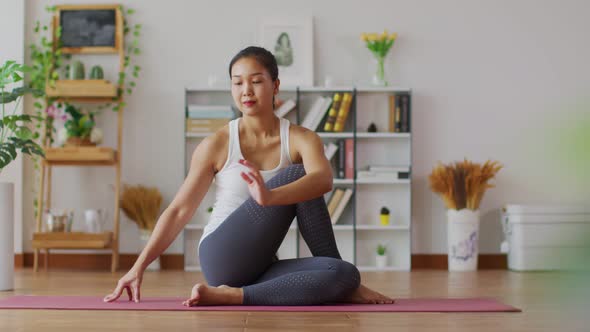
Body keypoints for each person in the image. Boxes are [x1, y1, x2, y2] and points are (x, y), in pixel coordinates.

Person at [104, 46, 394, 306]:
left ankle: (235, 295)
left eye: (256, 81)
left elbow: (323, 180)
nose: (246, 90)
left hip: (261, 265)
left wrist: (270, 196)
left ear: (275, 85)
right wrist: (137, 267)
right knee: (296, 173)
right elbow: (179, 210)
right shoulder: (217, 144)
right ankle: (231, 288)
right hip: (221, 255)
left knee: (342, 274)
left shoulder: (301, 138)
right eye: (238, 82)